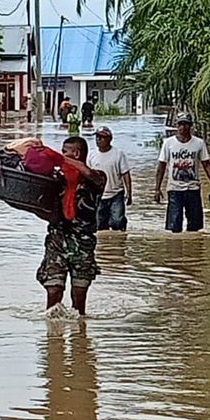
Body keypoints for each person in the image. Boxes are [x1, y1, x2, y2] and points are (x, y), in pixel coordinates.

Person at [36, 136, 106, 315]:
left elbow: (91, 176)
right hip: (57, 239)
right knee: (53, 290)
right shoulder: (58, 180)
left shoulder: (96, 178)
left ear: (76, 153)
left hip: (82, 241)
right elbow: (45, 208)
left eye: (65, 151)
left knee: (79, 296)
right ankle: (53, 337)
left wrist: (62, 159)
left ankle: (79, 336)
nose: (62, 155)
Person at [155, 111, 210, 233]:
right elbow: (161, 166)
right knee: (174, 226)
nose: (183, 127)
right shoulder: (168, 143)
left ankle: (192, 250)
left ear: (190, 125)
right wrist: (157, 189)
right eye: (180, 124)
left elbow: (206, 165)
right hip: (174, 189)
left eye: (186, 124)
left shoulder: (199, 143)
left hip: (193, 188)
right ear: (176, 125)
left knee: (195, 227)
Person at [87, 126, 132, 231]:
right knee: (100, 226)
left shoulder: (118, 154)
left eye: (102, 137)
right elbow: (88, 175)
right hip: (99, 196)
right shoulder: (91, 155)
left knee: (116, 222)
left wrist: (129, 193)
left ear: (109, 139)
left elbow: (125, 174)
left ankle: (122, 224)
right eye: (97, 137)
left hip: (116, 193)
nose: (98, 139)